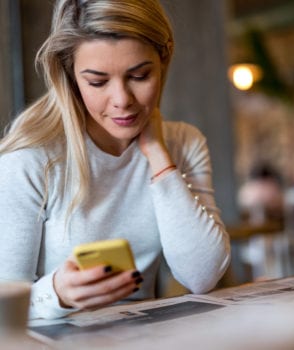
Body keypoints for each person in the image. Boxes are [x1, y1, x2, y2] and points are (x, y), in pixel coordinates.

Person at [0, 0, 231, 320]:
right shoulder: (30, 160)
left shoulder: (183, 143)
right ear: (71, 77)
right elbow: (4, 305)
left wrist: (157, 155)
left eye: (139, 75)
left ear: (163, 61)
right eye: (97, 82)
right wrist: (59, 294)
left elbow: (201, 276)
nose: (122, 100)